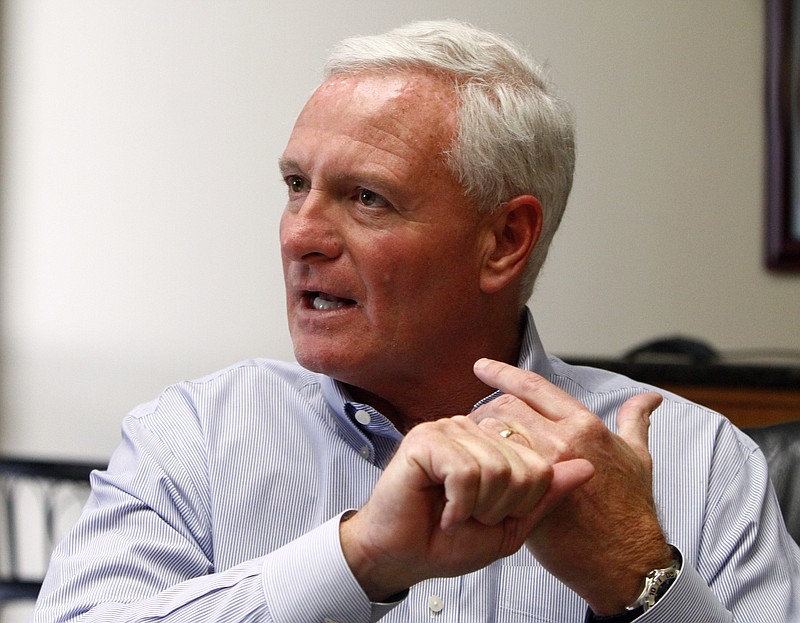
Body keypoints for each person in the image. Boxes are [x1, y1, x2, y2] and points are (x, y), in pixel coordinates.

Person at [34, 19, 800, 623]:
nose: (300, 233)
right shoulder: (190, 440)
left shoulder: (697, 464)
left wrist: (638, 578)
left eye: (367, 196)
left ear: (504, 240)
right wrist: (354, 559)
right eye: (296, 184)